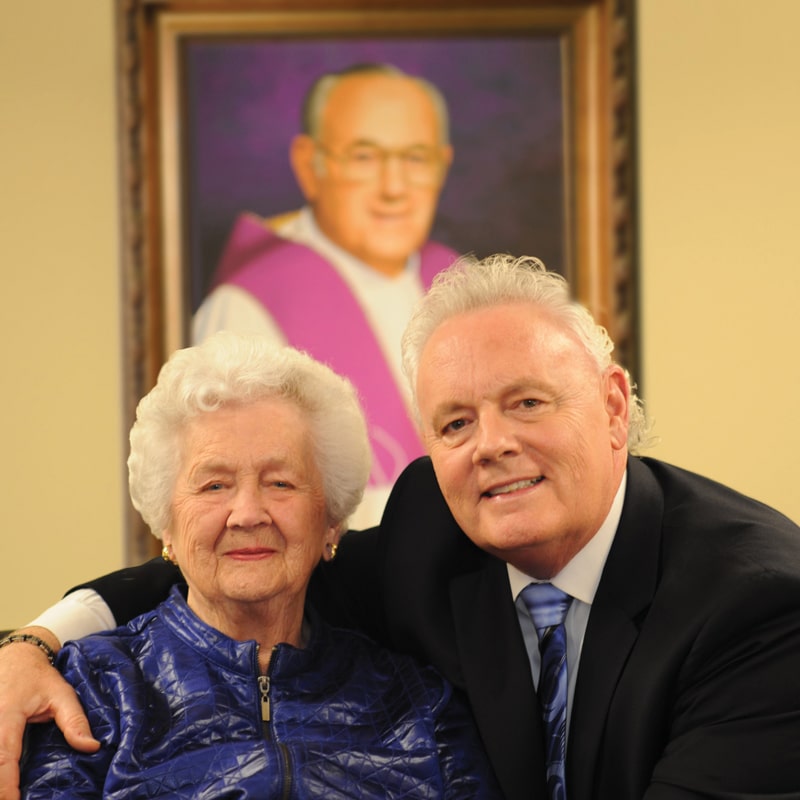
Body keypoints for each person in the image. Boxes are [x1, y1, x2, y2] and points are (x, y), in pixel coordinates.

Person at [2, 254, 800, 800]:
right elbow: (240, 561)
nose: (491, 445)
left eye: (527, 402)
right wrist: (33, 642)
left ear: (615, 406)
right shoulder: (435, 528)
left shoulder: (757, 608)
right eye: (455, 423)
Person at [13, 332, 499, 798]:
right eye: (214, 485)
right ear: (167, 525)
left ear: (331, 522)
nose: (247, 513)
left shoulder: (419, 703)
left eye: (281, 483)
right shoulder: (94, 690)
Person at [195, 62, 457, 527]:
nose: (394, 188)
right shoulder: (250, 305)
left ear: (442, 165)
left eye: (415, 158)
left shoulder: (464, 284)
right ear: (309, 164)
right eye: (364, 157)